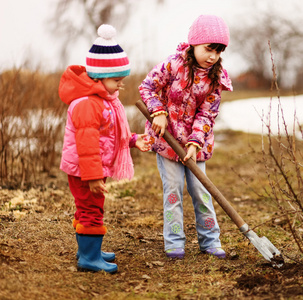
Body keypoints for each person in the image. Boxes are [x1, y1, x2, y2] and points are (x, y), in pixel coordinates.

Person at [139, 14, 233, 259]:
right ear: (194, 43)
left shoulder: (216, 78)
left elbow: (207, 114)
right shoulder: (173, 65)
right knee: (173, 191)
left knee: (201, 192)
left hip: (196, 146)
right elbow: (147, 87)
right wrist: (158, 112)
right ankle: (174, 242)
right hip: (167, 140)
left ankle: (210, 241)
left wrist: (195, 143)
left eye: (219, 50)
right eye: (208, 49)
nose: (213, 55)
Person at [59, 24, 151, 273]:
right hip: (85, 170)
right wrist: (92, 176)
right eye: (116, 80)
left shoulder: (104, 100)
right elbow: (87, 145)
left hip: (89, 168)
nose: (121, 86)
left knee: (88, 208)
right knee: (91, 210)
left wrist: (132, 140)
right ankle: (89, 258)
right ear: (99, 76)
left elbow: (109, 133)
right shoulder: (88, 103)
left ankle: (88, 250)